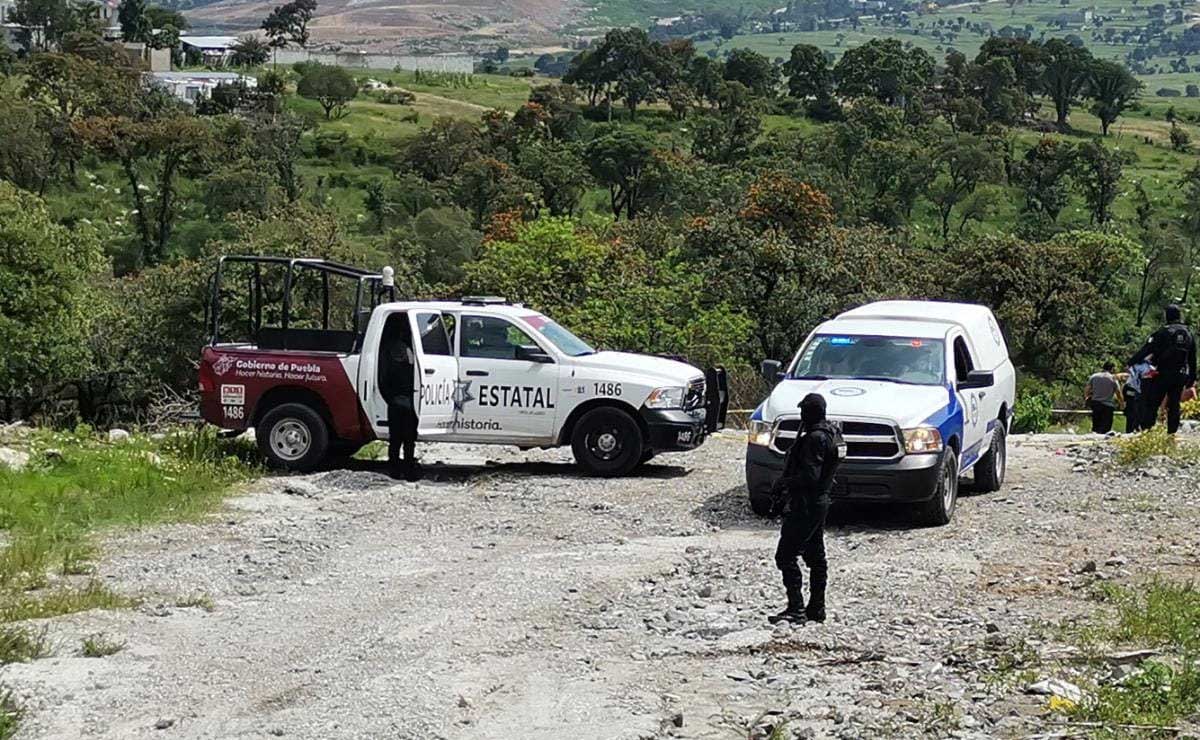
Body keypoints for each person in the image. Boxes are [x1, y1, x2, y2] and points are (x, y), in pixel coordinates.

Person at [768, 393, 844, 625]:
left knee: (786, 555)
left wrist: (783, 484)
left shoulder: (815, 438)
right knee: (815, 556)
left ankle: (796, 608)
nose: (801, 415)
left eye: (804, 411)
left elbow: (810, 476)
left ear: (810, 412)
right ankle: (816, 608)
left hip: (806, 503)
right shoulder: (833, 435)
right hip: (819, 501)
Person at [1130, 304, 1197, 434]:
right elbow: (1192, 358)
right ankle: (1171, 433)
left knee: (1153, 402)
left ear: (1167, 316)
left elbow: (1147, 349)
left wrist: (1133, 361)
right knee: (1174, 404)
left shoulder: (1163, 332)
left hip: (1162, 372)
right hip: (1180, 374)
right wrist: (1192, 377)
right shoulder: (1188, 333)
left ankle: (1147, 431)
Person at [379, 317, 421, 480]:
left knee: (395, 440)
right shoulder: (411, 363)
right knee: (409, 440)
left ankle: (394, 470)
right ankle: (409, 470)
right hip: (409, 404)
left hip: (395, 403)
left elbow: (384, 382)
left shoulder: (387, 355)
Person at [1084, 362, 1122, 434]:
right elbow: (1118, 392)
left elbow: (1087, 389)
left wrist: (1087, 397)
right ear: (1112, 369)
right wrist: (1121, 403)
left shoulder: (1094, 376)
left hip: (1096, 404)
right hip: (1108, 405)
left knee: (1096, 426)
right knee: (1106, 429)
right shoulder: (1113, 378)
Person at [1123, 359, 1154, 433]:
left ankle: (1133, 429)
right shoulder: (1149, 368)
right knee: (1135, 411)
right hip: (1136, 391)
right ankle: (1134, 429)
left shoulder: (1134, 369)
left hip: (1134, 391)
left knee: (1134, 412)